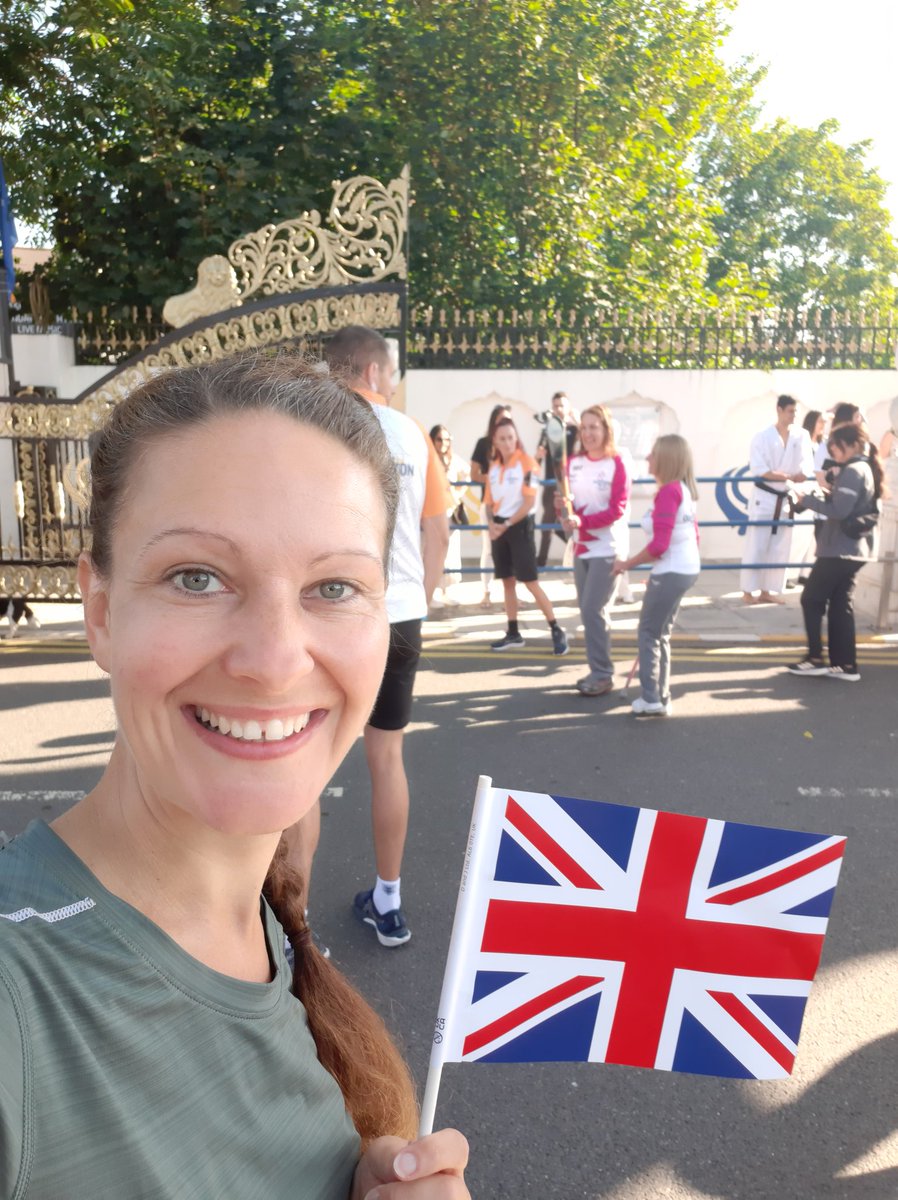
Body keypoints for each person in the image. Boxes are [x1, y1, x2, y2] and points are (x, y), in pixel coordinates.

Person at [0, 354, 469, 1199]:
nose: (275, 661)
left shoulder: (266, 931)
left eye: (334, 586)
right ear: (100, 611)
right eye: (197, 578)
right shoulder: (18, 992)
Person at [288, 326, 450, 951]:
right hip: (401, 612)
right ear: (376, 371)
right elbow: (437, 533)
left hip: (333, 611)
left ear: (334, 371)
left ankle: (294, 927)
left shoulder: (316, 423)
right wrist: (416, 598)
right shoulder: (412, 433)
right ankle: (389, 901)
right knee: (387, 759)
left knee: (306, 762)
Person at [787, 423, 887, 682]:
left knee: (811, 599)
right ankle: (845, 665)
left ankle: (815, 659)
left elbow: (840, 511)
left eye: (837, 447)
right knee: (840, 605)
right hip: (854, 550)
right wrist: (828, 492)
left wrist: (807, 500)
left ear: (852, 445)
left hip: (840, 550)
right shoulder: (863, 468)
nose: (834, 452)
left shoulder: (854, 470)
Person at [613, 434, 700, 716]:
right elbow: (693, 535)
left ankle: (651, 698)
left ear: (666, 459)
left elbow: (659, 546)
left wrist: (627, 564)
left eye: (653, 453)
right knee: (661, 634)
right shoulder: (682, 489)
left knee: (649, 633)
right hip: (683, 569)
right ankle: (660, 696)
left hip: (672, 569)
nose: (648, 457)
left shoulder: (669, 492)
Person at [484, 416, 569, 655]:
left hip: (520, 526)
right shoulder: (494, 467)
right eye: (502, 439)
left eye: (511, 437)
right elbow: (488, 503)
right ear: (495, 441)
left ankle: (556, 628)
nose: (507, 442)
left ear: (516, 438)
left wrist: (506, 524)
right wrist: (492, 524)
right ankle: (513, 633)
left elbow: (529, 502)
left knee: (530, 582)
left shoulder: (528, 464)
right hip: (499, 527)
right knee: (507, 581)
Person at [561, 405, 631, 696]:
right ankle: (598, 670)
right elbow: (568, 505)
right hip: (581, 546)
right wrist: (563, 512)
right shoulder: (573, 463)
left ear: (606, 430)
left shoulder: (617, 463)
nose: (588, 433)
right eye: (584, 428)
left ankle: (602, 674)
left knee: (593, 609)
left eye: (594, 427)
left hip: (608, 547)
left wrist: (582, 521)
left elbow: (617, 509)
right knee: (589, 611)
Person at [740, 395, 813, 605]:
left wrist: (800, 475)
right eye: (790, 411)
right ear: (779, 410)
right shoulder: (762, 437)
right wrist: (787, 476)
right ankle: (747, 591)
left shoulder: (802, 435)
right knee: (757, 545)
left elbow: (806, 465)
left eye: (796, 412)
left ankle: (767, 590)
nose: (794, 415)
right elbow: (760, 469)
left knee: (780, 547)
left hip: (786, 497)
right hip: (764, 497)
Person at [470, 404, 511, 608]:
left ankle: (510, 595)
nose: (505, 423)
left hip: (511, 507)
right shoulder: (483, 443)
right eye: (502, 419)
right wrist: (493, 478)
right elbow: (474, 474)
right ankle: (486, 593)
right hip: (489, 505)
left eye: (508, 419)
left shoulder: (514, 445)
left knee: (510, 551)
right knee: (489, 550)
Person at [534, 391, 579, 567]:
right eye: (555, 406)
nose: (558, 409)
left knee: (572, 521)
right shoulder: (547, 430)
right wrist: (538, 455)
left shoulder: (575, 429)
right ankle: (541, 562)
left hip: (572, 485)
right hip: (551, 484)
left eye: (562, 405)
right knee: (547, 524)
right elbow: (538, 458)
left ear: (569, 408)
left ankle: (577, 551)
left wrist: (578, 421)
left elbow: (587, 446)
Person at [429, 424, 472, 608]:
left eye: (447, 439)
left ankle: (447, 591)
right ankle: (432, 592)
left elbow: (467, 474)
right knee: (432, 551)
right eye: (439, 439)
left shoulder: (453, 459)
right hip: (432, 513)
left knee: (451, 552)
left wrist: (457, 494)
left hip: (450, 512)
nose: (443, 443)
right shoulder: (429, 459)